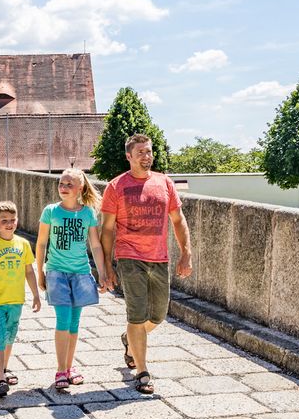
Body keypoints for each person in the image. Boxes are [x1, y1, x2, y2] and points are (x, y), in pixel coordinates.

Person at [100, 134, 193, 395]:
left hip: (159, 257)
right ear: (128, 156)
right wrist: (107, 265)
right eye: (140, 152)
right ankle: (142, 372)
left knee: (159, 315)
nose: (146, 156)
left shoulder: (164, 182)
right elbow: (107, 229)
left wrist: (186, 252)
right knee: (137, 314)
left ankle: (129, 339)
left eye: (149, 151)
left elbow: (178, 219)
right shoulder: (116, 187)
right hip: (129, 257)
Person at [36, 169, 108, 390]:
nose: (63, 187)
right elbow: (41, 243)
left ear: (80, 189)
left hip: (80, 273)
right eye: (61, 183)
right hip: (57, 273)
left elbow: (95, 245)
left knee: (75, 323)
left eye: (69, 184)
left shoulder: (87, 214)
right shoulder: (51, 211)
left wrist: (102, 272)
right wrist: (40, 271)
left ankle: (69, 367)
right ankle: (60, 370)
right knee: (63, 320)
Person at [0, 201, 41, 398]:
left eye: (12, 220)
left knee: (10, 335)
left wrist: (36, 295)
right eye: (4, 220)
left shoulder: (22, 244)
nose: (9, 224)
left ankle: (4, 368)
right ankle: (0, 379)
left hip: (16, 301)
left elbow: (29, 271)